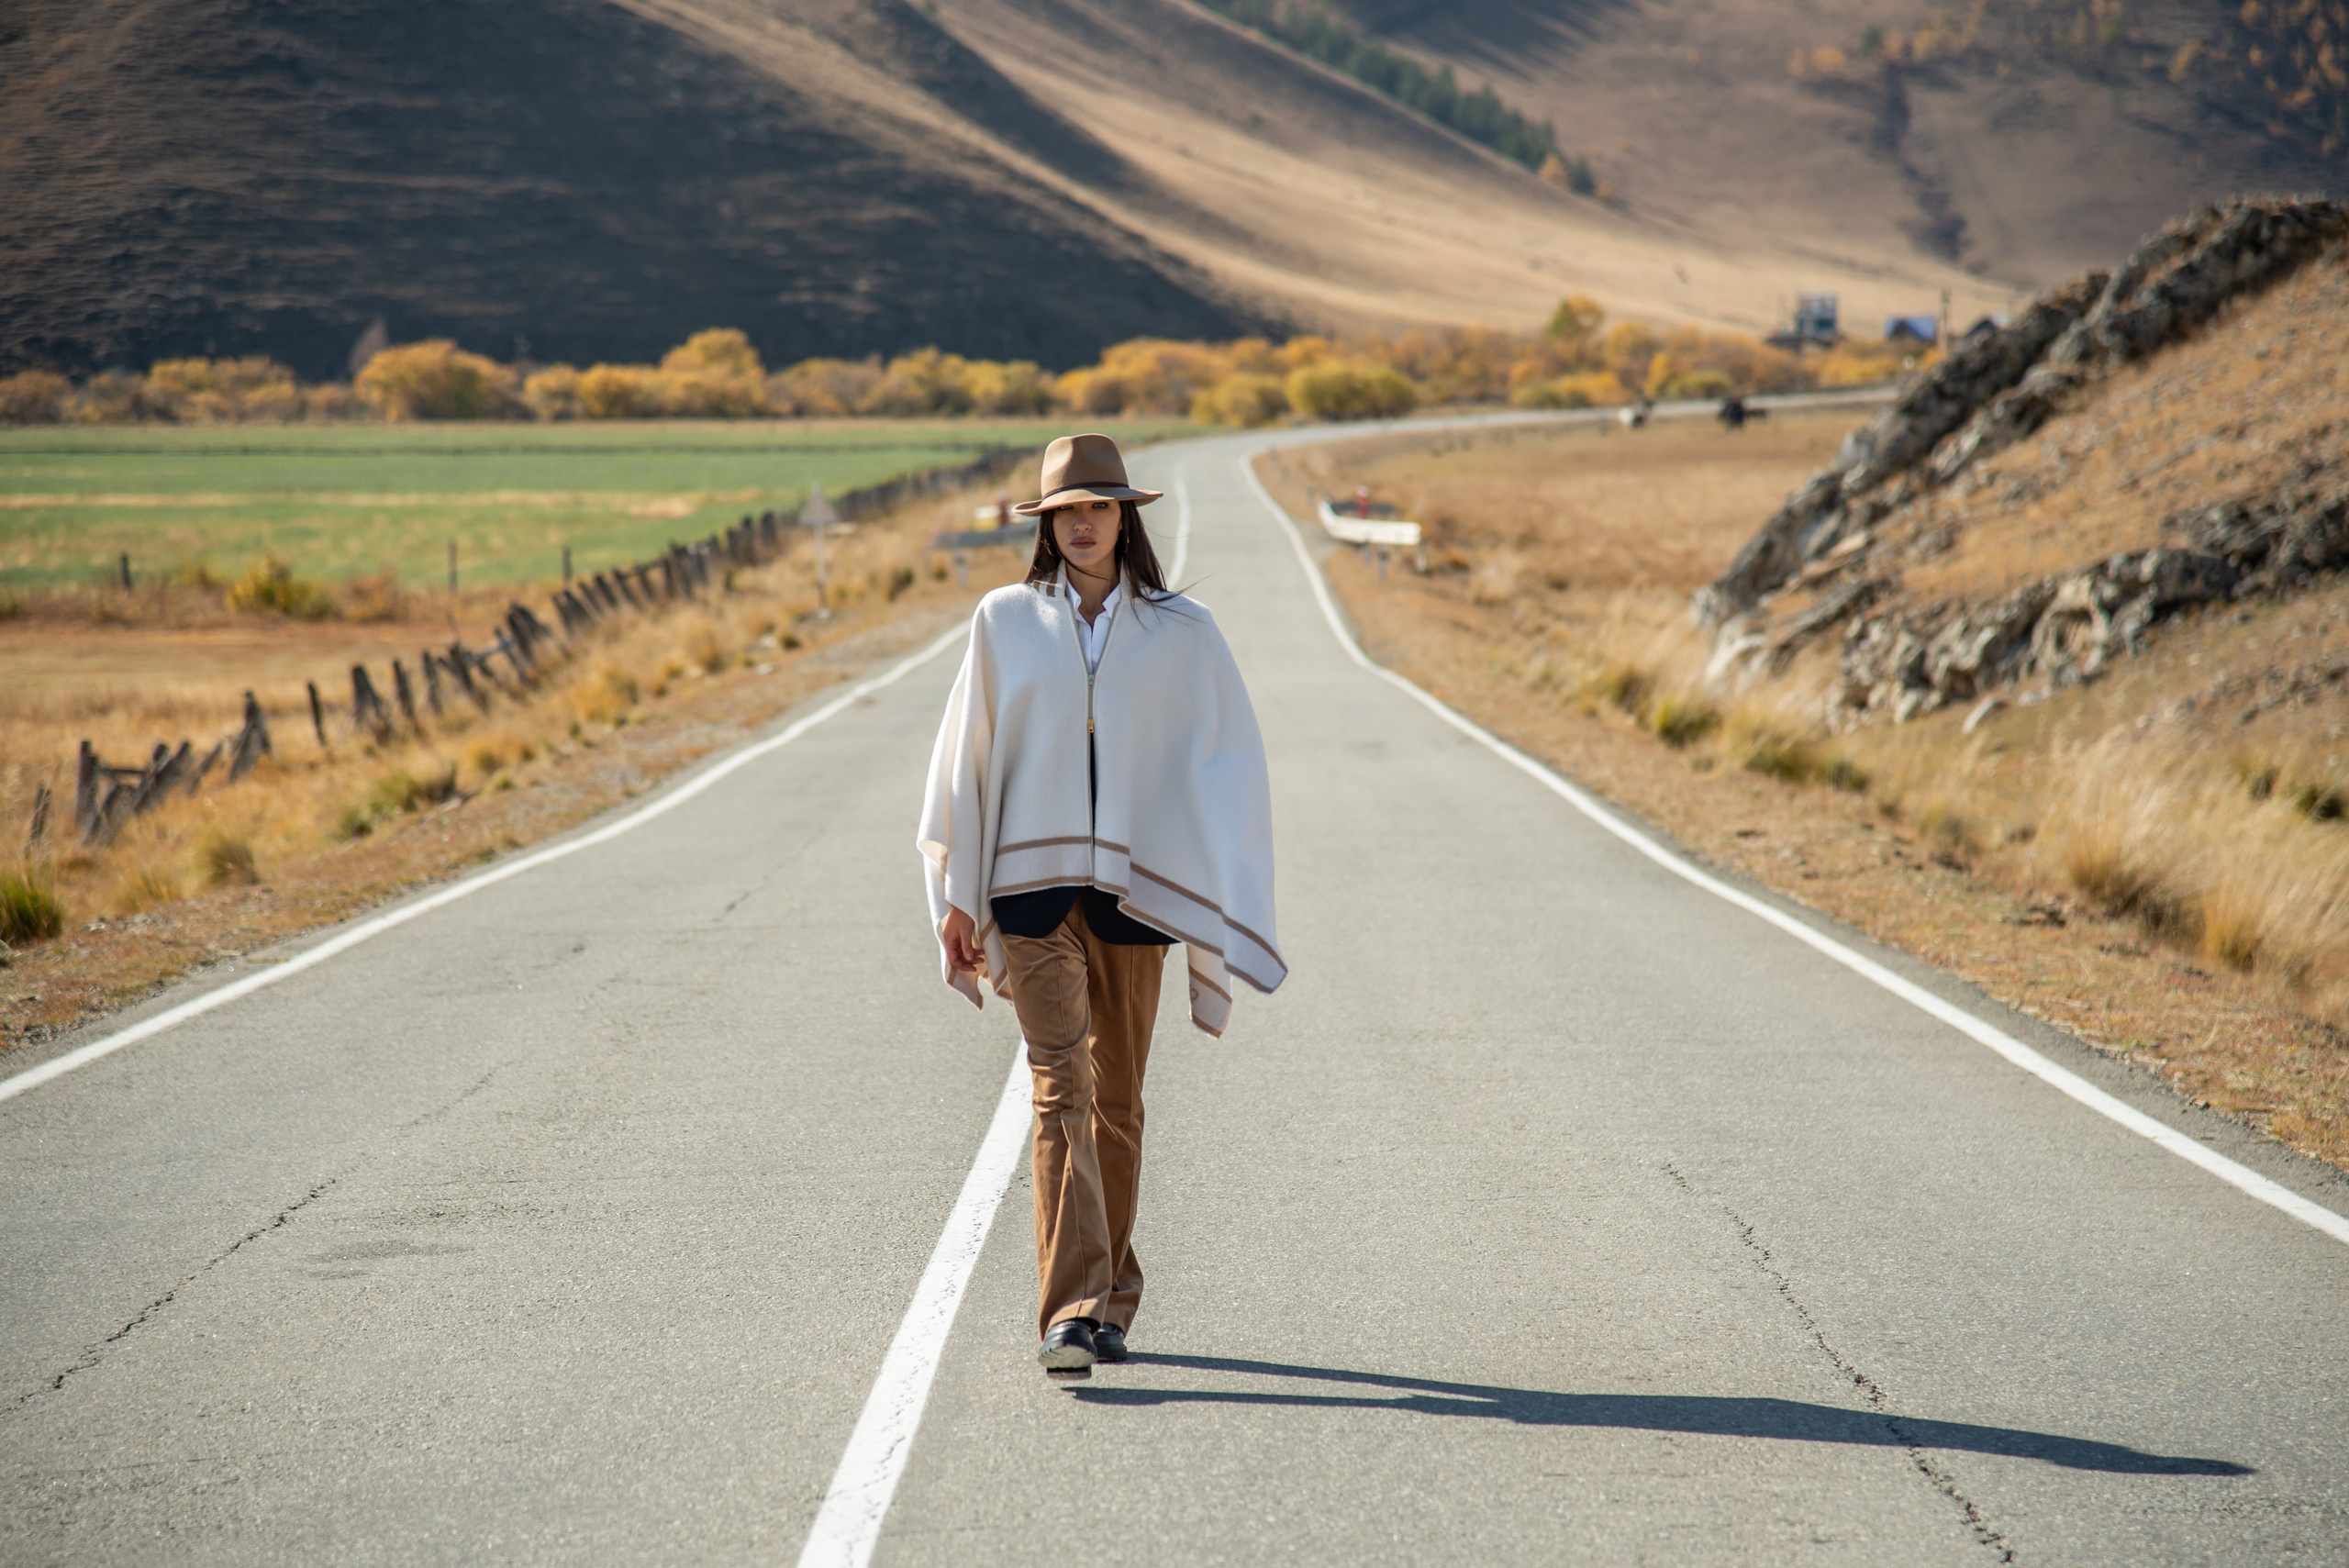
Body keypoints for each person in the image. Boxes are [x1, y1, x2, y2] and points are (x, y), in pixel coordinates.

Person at [918, 432, 1285, 1378]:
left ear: (1125, 517)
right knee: (1061, 1088)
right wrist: (956, 895)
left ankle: (1112, 1295)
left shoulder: (1182, 633)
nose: (1082, 525)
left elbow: (1226, 762)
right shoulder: (1003, 621)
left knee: (1117, 1100)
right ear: (1046, 526)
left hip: (1136, 899)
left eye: (1098, 507)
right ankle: (1072, 1312)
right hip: (1028, 895)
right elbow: (966, 756)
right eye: (1065, 512)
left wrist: (1221, 885)